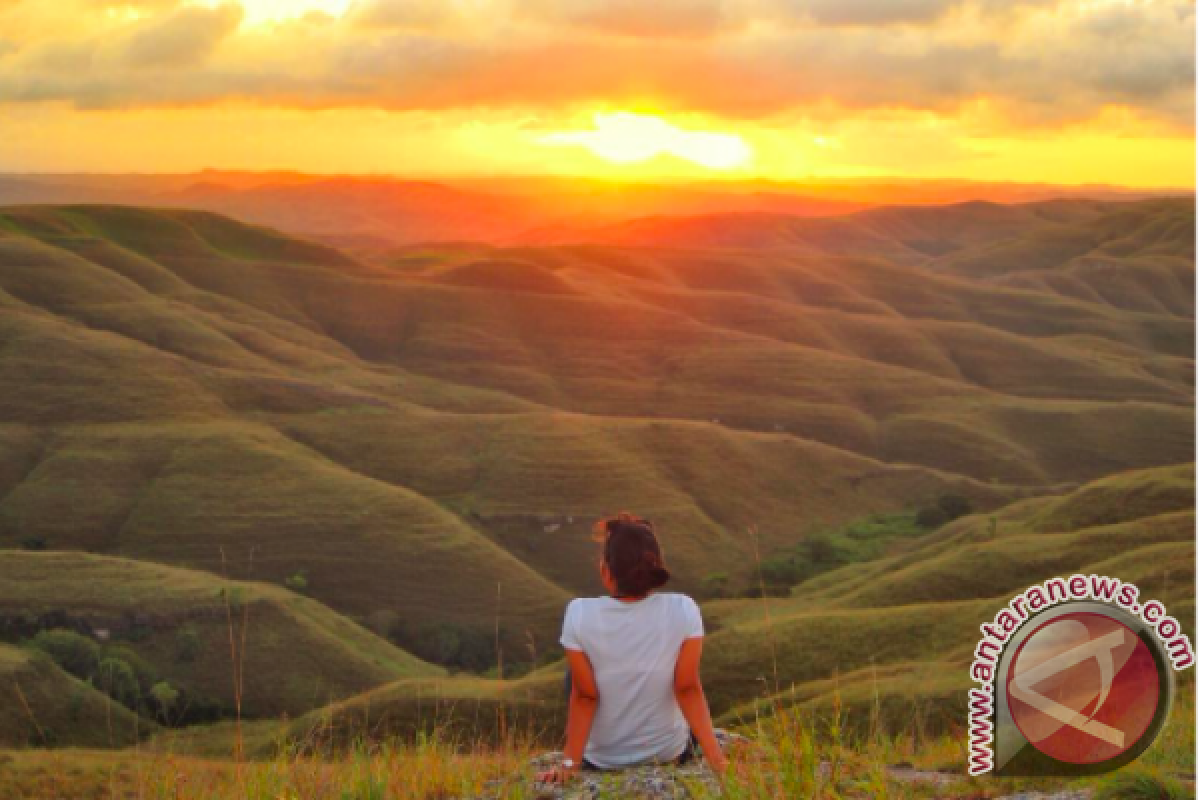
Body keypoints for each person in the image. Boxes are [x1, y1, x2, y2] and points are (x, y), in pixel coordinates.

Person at [539, 512, 728, 783]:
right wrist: (719, 763)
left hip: (602, 759)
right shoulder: (683, 608)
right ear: (655, 567)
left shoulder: (579, 613)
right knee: (675, 669)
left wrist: (568, 766)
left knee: (576, 677)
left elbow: (585, 696)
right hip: (666, 753)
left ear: (606, 571)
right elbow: (686, 688)